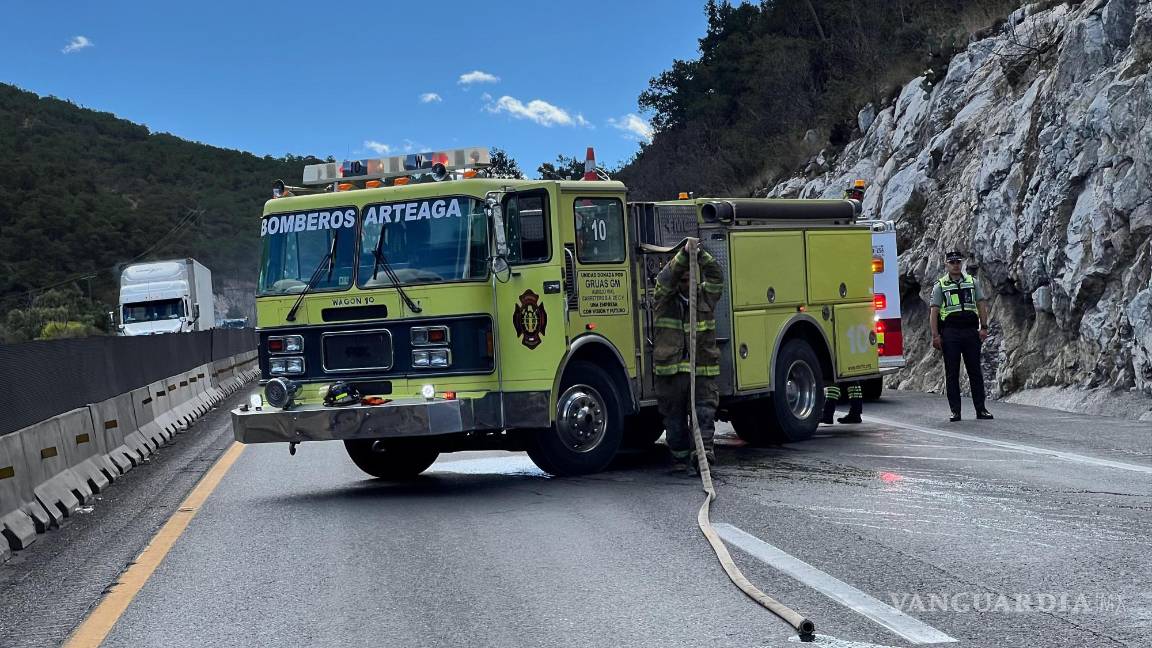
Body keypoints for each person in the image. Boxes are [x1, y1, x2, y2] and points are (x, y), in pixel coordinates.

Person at [652, 238, 725, 471]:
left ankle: (703, 456)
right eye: (682, 280)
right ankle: (680, 459)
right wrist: (684, 255)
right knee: (674, 423)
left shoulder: (705, 296)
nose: (686, 284)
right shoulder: (664, 299)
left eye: (690, 279)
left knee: (704, 415)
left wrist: (700, 255)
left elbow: (717, 277)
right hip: (671, 375)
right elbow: (665, 279)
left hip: (701, 370)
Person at [930, 250, 993, 422]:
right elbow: (934, 312)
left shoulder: (972, 282)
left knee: (975, 372)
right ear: (946, 264)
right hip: (950, 332)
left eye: (958, 262)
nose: (956, 265)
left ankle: (981, 409)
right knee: (952, 373)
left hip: (970, 331)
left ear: (962, 263)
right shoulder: (940, 285)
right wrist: (935, 336)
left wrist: (984, 327)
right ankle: (955, 411)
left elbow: (981, 304)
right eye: (952, 262)